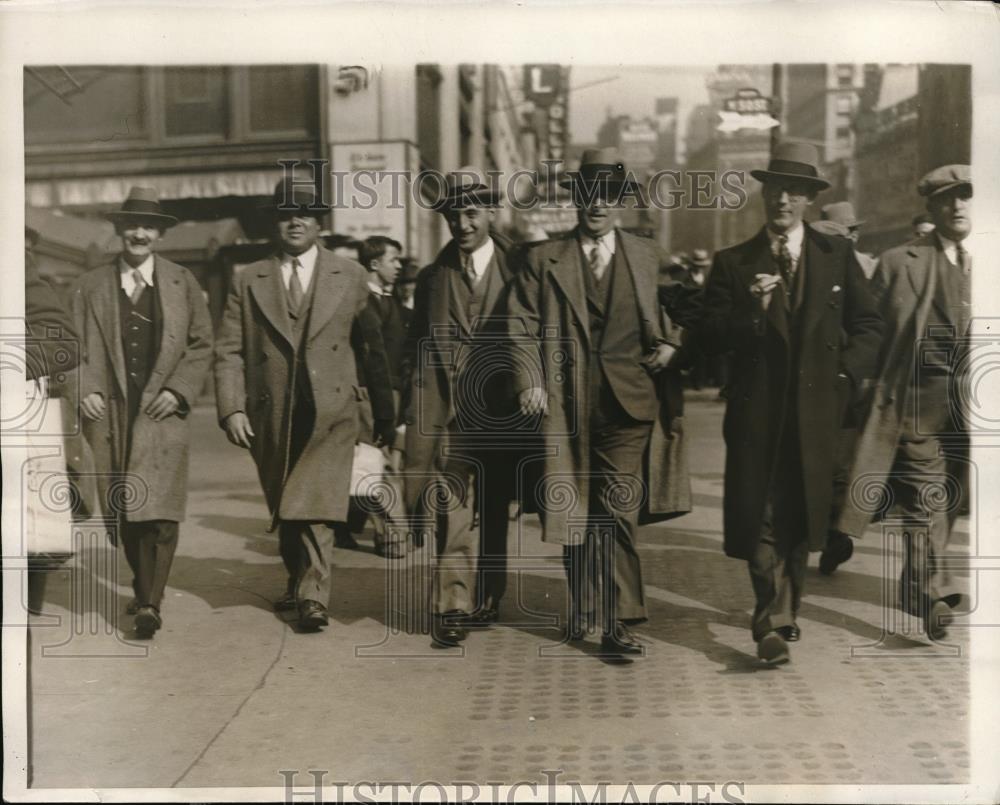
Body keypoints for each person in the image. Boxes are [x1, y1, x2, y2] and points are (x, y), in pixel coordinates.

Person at [697, 142, 882, 665]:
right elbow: (707, 338)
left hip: (816, 415)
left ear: (808, 200)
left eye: (794, 191)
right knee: (761, 515)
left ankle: (787, 611)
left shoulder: (836, 257)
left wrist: (844, 373)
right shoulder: (735, 262)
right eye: (774, 188)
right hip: (757, 416)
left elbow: (869, 325)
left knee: (800, 518)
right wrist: (750, 314)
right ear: (764, 194)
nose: (782, 199)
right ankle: (770, 619)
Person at [508, 148, 696, 658]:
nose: (598, 205)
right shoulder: (543, 259)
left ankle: (617, 620)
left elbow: (686, 306)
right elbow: (521, 324)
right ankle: (584, 603)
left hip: (628, 405)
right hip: (563, 408)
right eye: (589, 193)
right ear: (575, 198)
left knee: (617, 512)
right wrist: (530, 380)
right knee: (572, 511)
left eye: (609, 195)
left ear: (621, 203)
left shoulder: (648, 255)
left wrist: (674, 343)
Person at [214, 176, 395, 632]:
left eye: (305, 214)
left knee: (314, 505)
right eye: (285, 213)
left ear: (319, 223)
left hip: (331, 409)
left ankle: (314, 596)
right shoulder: (248, 278)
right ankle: (298, 581)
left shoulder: (351, 276)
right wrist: (232, 408)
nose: (294, 221)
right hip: (270, 412)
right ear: (275, 222)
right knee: (286, 503)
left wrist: (386, 413)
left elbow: (372, 349)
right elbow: (228, 350)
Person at [837, 165, 972, 641]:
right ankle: (927, 591)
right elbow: (868, 328)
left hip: (975, 411)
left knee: (953, 502)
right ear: (932, 210)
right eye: (949, 200)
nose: (959, 207)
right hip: (916, 404)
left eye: (967, 197)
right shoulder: (899, 262)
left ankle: (920, 586)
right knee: (926, 500)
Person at [71, 187, 213, 637]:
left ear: (160, 234)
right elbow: (70, 348)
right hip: (111, 413)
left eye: (148, 226)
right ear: (118, 231)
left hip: (163, 409)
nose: (139, 233)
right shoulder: (90, 285)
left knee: (161, 509)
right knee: (125, 509)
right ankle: (143, 581)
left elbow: (201, 344)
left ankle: (150, 602)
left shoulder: (181, 282)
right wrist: (84, 389)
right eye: (131, 225)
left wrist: (180, 388)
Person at [400, 167, 527, 647]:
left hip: (502, 411)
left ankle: (489, 593)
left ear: (491, 212)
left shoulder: (520, 269)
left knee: (494, 506)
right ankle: (452, 605)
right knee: (450, 506)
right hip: (447, 414)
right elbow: (415, 344)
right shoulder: (433, 277)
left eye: (472, 213)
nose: (463, 224)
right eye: (455, 214)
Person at [821, 201, 878, 280]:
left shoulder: (869, 263)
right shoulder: (820, 262)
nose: (854, 233)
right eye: (848, 229)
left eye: (856, 228)